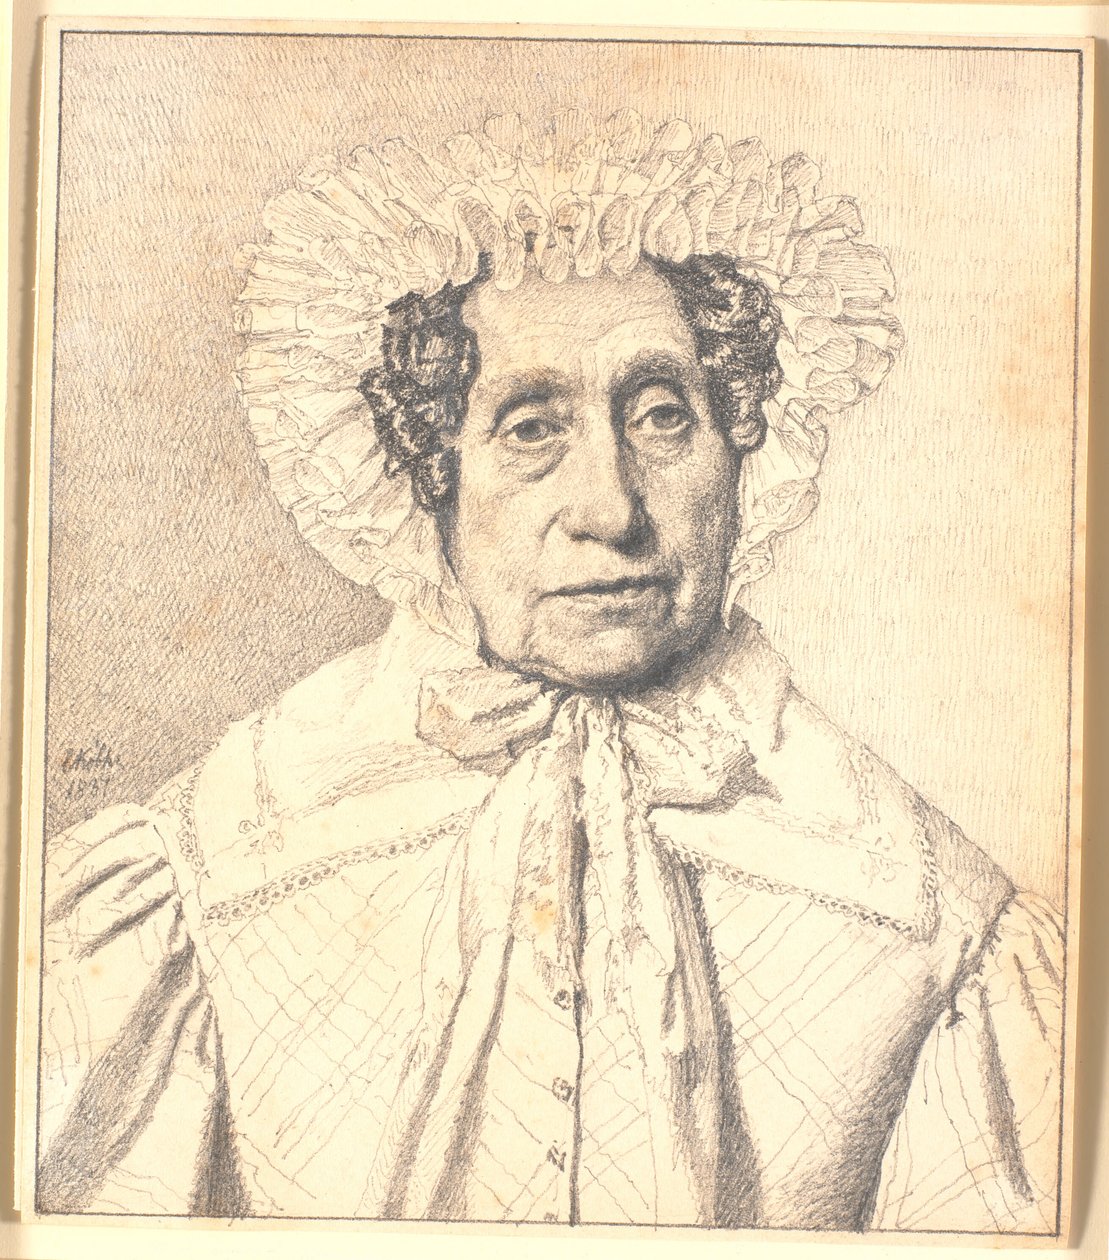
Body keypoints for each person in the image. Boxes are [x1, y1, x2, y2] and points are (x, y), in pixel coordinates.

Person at [36, 112, 1063, 1231]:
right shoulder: (209, 869)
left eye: (661, 416)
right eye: (530, 428)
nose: (608, 510)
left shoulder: (931, 918)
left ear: (739, 447)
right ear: (426, 468)